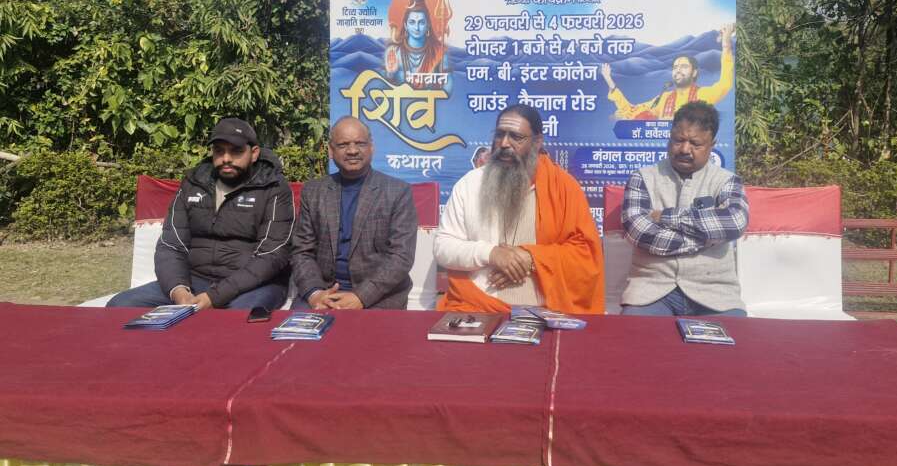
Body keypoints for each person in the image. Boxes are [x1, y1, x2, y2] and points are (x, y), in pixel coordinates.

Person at [434, 103, 604, 315]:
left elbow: (585, 254)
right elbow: (443, 247)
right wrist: (491, 253)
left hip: (546, 311)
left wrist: (530, 258)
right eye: (500, 135)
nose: (504, 143)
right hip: (478, 307)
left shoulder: (564, 188)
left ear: (537, 142)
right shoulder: (470, 184)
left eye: (516, 137)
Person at [108, 118, 294, 310]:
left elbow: (272, 255)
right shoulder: (194, 183)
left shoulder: (273, 188)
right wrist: (178, 290)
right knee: (119, 305)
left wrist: (215, 296)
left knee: (235, 320)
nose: (226, 158)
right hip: (195, 279)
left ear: (254, 153)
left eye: (236, 151)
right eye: (219, 151)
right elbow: (171, 244)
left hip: (253, 286)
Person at [620, 101, 749, 316]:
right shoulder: (642, 178)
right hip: (651, 290)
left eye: (695, 144)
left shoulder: (727, 181)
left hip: (715, 292)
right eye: (678, 140)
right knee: (633, 334)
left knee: (734, 337)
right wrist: (705, 239)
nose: (684, 150)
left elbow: (734, 222)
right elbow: (638, 231)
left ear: (712, 144)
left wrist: (666, 217)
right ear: (669, 137)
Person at [290, 116, 418, 310]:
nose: (352, 151)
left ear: (371, 148)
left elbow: (401, 257)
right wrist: (315, 293)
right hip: (324, 293)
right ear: (330, 151)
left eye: (360, 143)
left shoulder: (397, 192)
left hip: (378, 296)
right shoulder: (314, 191)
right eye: (343, 145)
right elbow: (302, 251)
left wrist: (361, 297)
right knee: (294, 330)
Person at [600, 23, 735, 120]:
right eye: (675, 67)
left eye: (684, 66)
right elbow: (633, 110)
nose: (678, 70)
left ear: (694, 72)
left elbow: (725, 84)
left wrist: (726, 46)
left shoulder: (703, 95)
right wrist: (611, 84)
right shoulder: (664, 98)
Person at [384, 0, 450, 90]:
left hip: (431, 100)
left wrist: (442, 89)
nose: (417, 28)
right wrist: (390, 73)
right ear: (405, 25)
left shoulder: (438, 52)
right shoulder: (394, 52)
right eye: (412, 22)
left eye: (421, 22)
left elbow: (448, 85)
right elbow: (384, 86)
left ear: (428, 25)